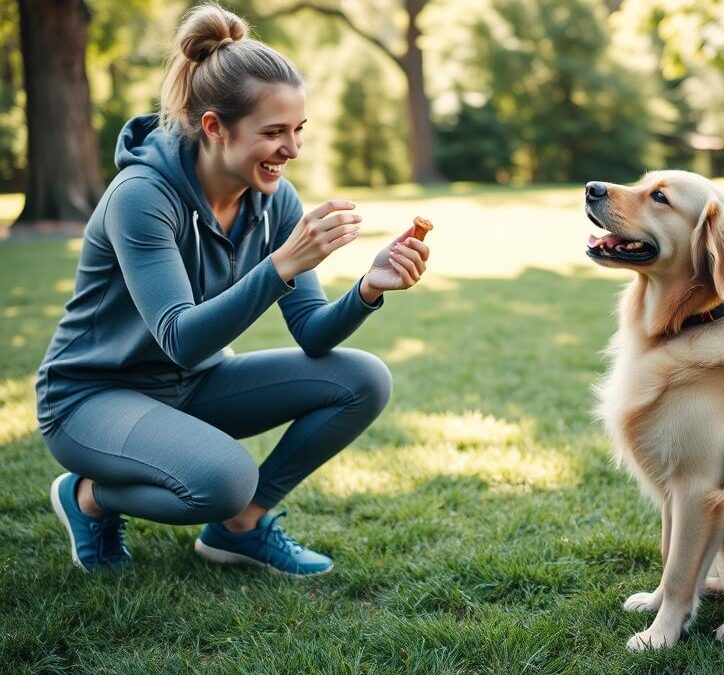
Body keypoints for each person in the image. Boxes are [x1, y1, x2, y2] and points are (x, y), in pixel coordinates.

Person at [35, 3, 429, 576]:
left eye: (298, 129)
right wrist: (281, 264)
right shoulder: (142, 196)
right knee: (223, 479)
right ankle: (88, 496)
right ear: (215, 127)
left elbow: (313, 333)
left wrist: (368, 288)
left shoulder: (275, 199)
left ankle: (240, 528)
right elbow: (180, 339)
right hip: (91, 398)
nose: (292, 149)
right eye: (273, 132)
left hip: (193, 385)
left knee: (364, 378)